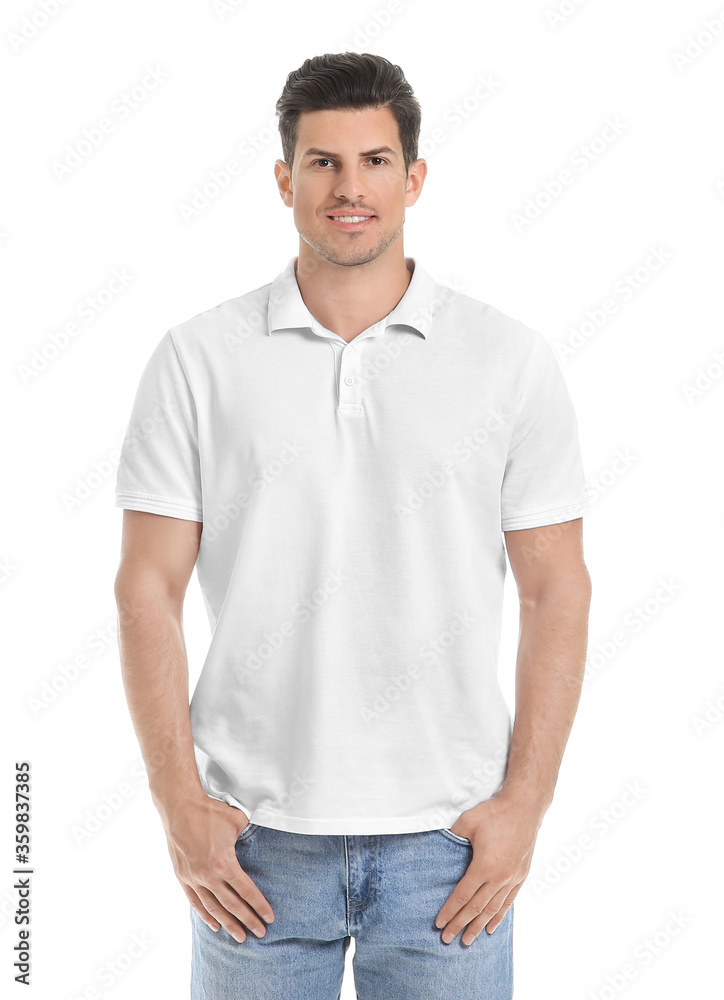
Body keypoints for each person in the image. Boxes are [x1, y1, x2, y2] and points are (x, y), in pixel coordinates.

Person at [113, 51, 592, 1000]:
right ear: (285, 179)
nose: (349, 188)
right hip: (252, 849)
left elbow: (556, 588)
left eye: (374, 161)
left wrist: (525, 805)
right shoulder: (197, 359)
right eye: (323, 163)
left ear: (413, 178)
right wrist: (179, 807)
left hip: (449, 851)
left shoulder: (507, 361)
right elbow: (146, 587)